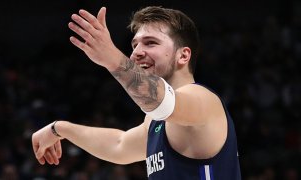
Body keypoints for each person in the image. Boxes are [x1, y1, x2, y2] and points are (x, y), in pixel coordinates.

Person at [32, 6, 241, 179]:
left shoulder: (204, 100)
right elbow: (119, 146)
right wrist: (60, 129)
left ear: (183, 56)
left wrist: (111, 58)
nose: (136, 52)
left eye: (150, 43)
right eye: (134, 44)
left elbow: (162, 102)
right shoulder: (155, 120)